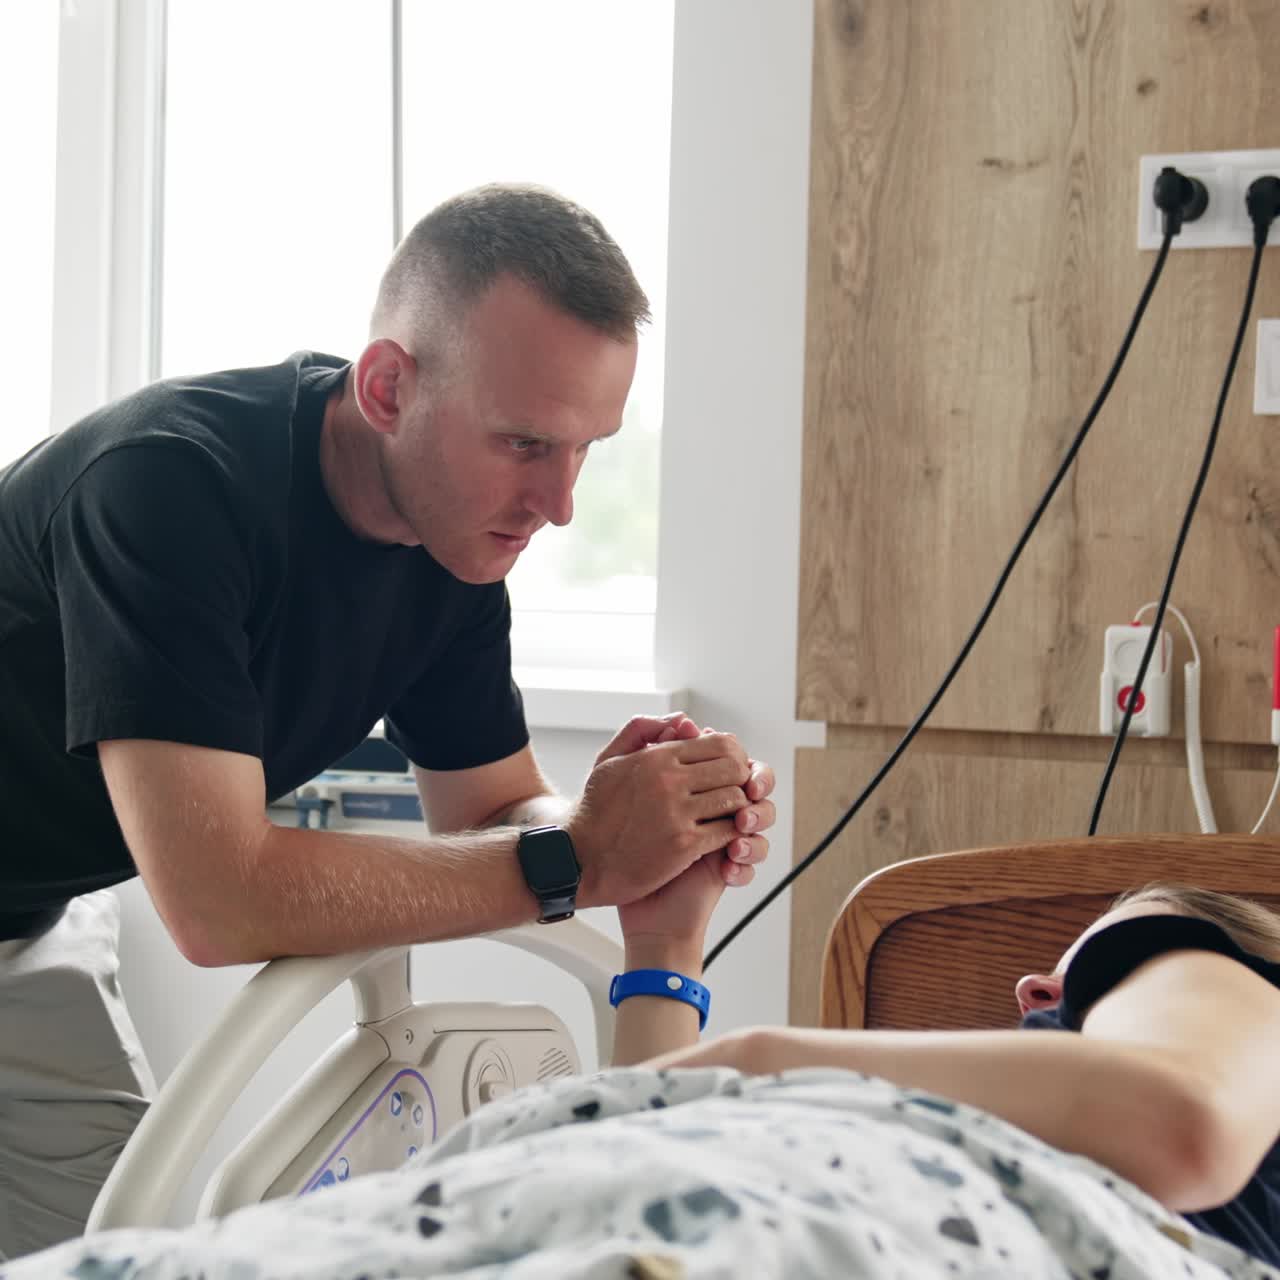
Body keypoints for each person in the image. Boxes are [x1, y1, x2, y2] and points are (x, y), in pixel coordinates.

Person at [0, 183, 777, 1259]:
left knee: (110, 1255)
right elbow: (217, 903)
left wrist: (632, 831)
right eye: (522, 444)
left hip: (25, 928)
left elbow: (496, 810)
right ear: (386, 386)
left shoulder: (452, 554)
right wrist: (574, 857)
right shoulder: (168, 489)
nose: (558, 504)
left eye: (584, 447)